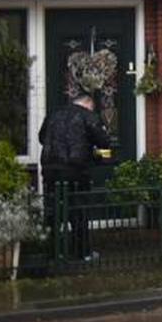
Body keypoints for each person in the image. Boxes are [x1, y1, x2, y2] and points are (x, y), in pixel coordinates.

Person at [39, 90, 112, 261]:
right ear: (88, 104)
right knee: (79, 212)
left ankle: (53, 253)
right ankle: (82, 252)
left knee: (53, 212)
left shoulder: (53, 115)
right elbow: (103, 141)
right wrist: (93, 152)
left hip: (51, 169)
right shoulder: (88, 116)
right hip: (75, 170)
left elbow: (42, 138)